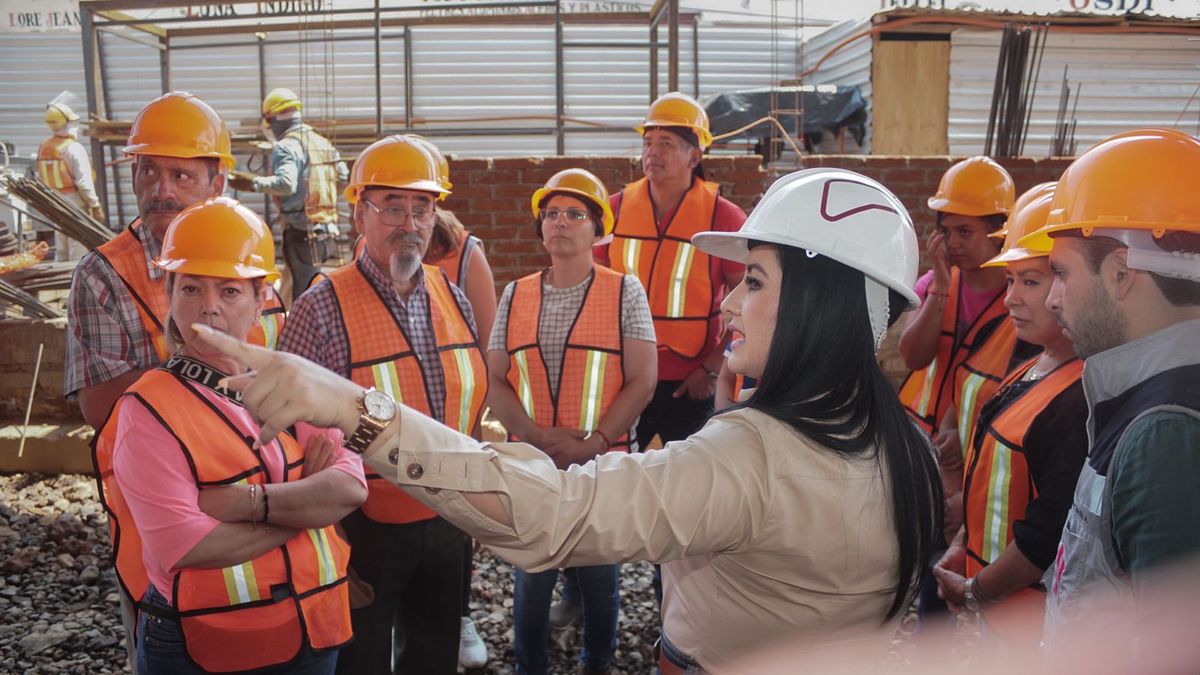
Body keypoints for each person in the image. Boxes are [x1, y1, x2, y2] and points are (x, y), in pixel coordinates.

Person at [193, 167, 944, 673]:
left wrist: (348, 405)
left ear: (821, 303)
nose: (727, 303)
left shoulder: (750, 458)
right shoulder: (907, 446)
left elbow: (551, 516)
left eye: (752, 280)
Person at [94, 197, 365, 673]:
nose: (210, 308)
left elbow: (349, 487)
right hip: (206, 643)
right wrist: (308, 505)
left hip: (313, 628)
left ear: (261, 298)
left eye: (230, 291)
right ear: (170, 296)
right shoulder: (147, 409)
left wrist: (247, 503)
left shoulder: (294, 378)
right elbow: (185, 545)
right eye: (192, 289)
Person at [278, 134, 486, 675]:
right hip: (363, 527)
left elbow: (464, 411)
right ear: (360, 215)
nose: (409, 223)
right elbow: (287, 433)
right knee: (362, 660)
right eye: (392, 206)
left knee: (435, 656)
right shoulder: (321, 306)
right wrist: (329, 534)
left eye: (422, 208)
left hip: (447, 519)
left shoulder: (451, 294)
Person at [1009, 128, 1200, 650]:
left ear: (1120, 274)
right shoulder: (1147, 401)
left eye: (1061, 274)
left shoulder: (1165, 433)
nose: (1051, 300)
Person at [487, 168, 656, 675]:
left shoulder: (625, 291)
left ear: (597, 229)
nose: (560, 222)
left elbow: (643, 379)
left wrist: (598, 441)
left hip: (598, 462)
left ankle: (597, 663)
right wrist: (536, 437)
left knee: (600, 572)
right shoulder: (515, 294)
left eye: (574, 214)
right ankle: (529, 667)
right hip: (534, 461)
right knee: (532, 573)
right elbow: (495, 380)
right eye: (552, 214)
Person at [67, 91, 287, 430]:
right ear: (133, 176)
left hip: (265, 460)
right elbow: (100, 408)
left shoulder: (249, 251)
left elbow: (287, 363)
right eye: (150, 172)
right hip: (162, 466)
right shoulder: (104, 275)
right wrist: (211, 373)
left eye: (180, 176)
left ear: (216, 185)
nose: (162, 191)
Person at [931, 187, 1088, 648]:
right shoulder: (1033, 365)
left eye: (1031, 281)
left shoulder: (1078, 398)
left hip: (1028, 632)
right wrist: (963, 543)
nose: (1010, 300)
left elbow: (1046, 534)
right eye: (1010, 281)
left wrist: (977, 591)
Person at [411, 136, 496, 670]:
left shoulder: (465, 255)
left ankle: (457, 615)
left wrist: (472, 423)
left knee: (451, 522)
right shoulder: (369, 249)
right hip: (393, 418)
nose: (409, 213)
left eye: (420, 199)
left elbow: (487, 346)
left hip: (452, 422)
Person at [241, 87, 348, 302]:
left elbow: (286, 184)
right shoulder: (321, 142)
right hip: (328, 232)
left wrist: (252, 183)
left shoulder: (286, 146)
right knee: (308, 288)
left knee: (306, 297)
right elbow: (343, 177)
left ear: (270, 119)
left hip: (302, 233)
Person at [37, 93, 103, 261]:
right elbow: (84, 182)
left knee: (61, 244)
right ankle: (74, 279)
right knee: (77, 243)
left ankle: (61, 279)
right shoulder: (73, 148)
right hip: (74, 201)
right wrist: (94, 204)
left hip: (53, 199)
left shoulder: (45, 146)